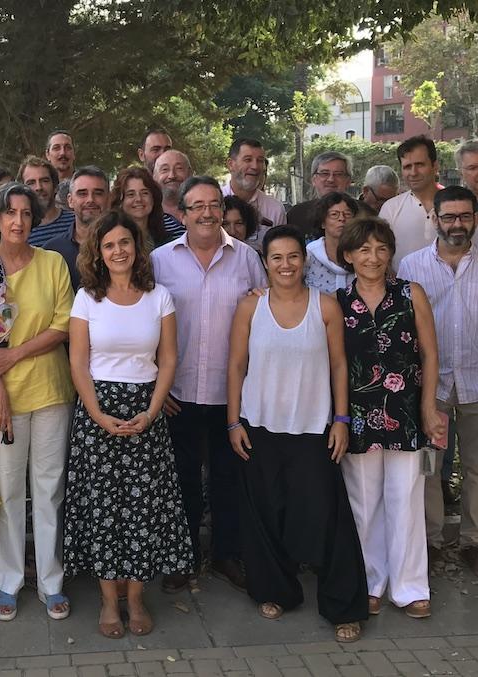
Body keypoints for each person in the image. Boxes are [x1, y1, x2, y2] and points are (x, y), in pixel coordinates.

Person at [226, 225, 367, 643]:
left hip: (312, 427)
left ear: (303, 261)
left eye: (292, 256)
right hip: (260, 425)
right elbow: (235, 366)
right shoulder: (251, 307)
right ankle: (275, 591)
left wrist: (341, 420)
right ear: (265, 264)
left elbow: (340, 365)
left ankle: (343, 604)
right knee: (266, 514)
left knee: (326, 517)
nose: (285, 265)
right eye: (276, 258)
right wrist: (233, 422)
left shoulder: (325, 307)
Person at [63, 211, 192, 639]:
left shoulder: (160, 298)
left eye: (124, 243)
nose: (118, 251)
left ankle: (135, 599)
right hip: (98, 410)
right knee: (103, 510)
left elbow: (169, 358)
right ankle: (107, 599)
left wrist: (153, 412)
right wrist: (97, 413)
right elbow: (77, 361)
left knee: (141, 512)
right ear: (97, 253)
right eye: (109, 245)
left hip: (145, 410)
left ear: (137, 248)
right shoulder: (86, 299)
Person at [397, 185, 478, 581]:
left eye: (465, 216)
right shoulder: (412, 266)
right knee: (430, 468)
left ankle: (474, 542)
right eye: (449, 217)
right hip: (431, 390)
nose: (457, 224)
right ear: (435, 219)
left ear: (475, 218)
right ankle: (433, 543)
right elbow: (403, 328)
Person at [0, 181, 75, 622]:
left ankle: (51, 582)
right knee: (7, 493)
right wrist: (0, 391)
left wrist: (16, 354)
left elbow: (64, 325)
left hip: (49, 393)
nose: (19, 221)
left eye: (26, 213)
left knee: (48, 490)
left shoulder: (52, 264)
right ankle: (8, 582)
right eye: (10, 213)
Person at [151, 176, 267, 595]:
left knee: (228, 479)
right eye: (196, 205)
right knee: (180, 480)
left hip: (229, 393)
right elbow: (146, 325)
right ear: (181, 213)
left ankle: (226, 555)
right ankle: (182, 557)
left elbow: (263, 323)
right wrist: (156, 389)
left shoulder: (248, 260)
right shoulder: (160, 260)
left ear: (223, 209)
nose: (206, 213)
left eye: (213, 204)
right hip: (177, 394)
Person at [335, 216, 444, 620]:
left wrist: (429, 407)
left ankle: (410, 586)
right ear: (348, 255)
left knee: (406, 501)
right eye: (363, 249)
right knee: (364, 504)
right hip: (359, 417)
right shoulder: (336, 302)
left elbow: (430, 354)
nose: (373, 257)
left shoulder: (411, 294)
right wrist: (340, 417)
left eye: (381, 248)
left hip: (405, 413)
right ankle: (369, 583)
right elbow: (335, 363)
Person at [381, 137, 455, 269]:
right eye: (407, 167)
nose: (413, 173)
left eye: (420, 165)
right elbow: (380, 255)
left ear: (435, 165)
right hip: (404, 288)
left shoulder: (457, 206)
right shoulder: (391, 209)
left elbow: (474, 253)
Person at [44, 167, 110, 289]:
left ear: (109, 199)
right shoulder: (52, 251)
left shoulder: (123, 248)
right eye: (82, 194)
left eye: (98, 193)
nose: (90, 199)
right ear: (70, 200)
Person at [221, 138, 286, 228]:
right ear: (231, 164)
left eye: (260, 161)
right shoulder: (214, 203)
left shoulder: (274, 209)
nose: (255, 166)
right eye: (248, 160)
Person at [286, 151, 352, 238]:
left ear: (348, 181)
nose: (331, 179)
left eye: (338, 174)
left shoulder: (362, 213)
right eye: (324, 173)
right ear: (313, 180)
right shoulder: (296, 214)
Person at [305, 192, 359, 294]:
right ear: (322, 222)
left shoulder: (364, 252)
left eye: (347, 214)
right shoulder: (309, 255)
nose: (342, 219)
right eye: (334, 214)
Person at [20, 156, 74, 247]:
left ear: (55, 186)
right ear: (21, 190)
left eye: (44, 181)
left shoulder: (75, 222)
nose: (38, 187)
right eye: (31, 183)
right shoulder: (19, 229)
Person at [113, 166, 171, 248]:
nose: (139, 199)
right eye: (131, 194)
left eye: (144, 193)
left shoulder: (167, 241)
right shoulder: (112, 240)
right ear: (120, 201)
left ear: (153, 197)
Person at [153, 150, 192, 234]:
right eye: (165, 169)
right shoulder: (149, 215)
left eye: (179, 168)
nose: (172, 176)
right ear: (155, 177)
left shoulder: (204, 208)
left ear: (190, 173)